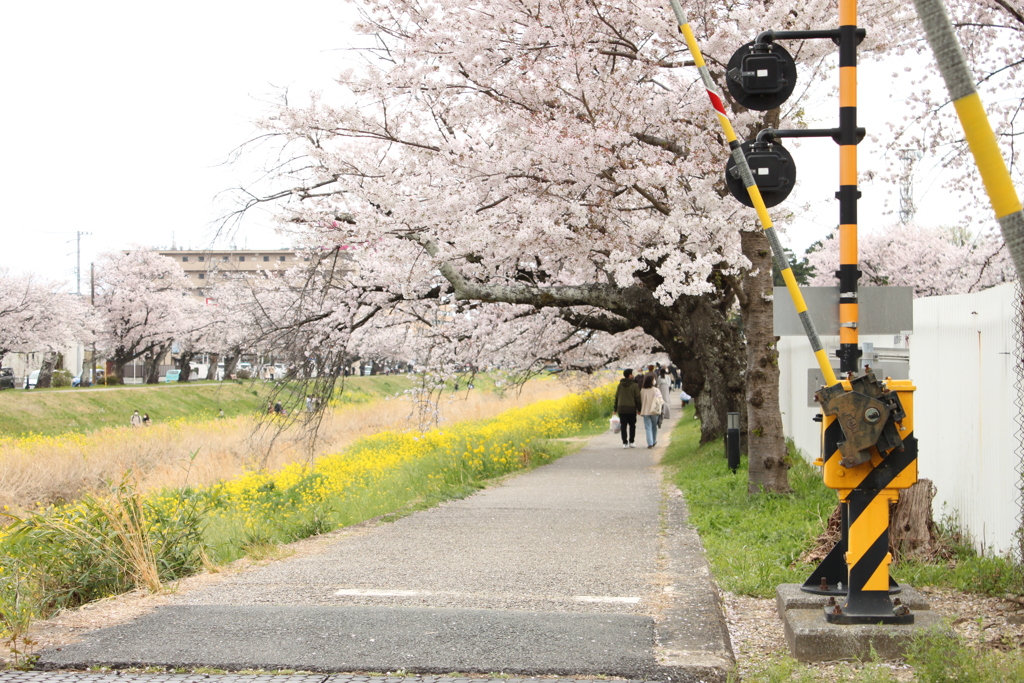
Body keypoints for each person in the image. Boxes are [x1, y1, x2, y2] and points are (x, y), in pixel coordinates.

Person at [613, 369, 642, 449]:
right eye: (632, 374)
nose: (633, 375)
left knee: (623, 426)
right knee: (632, 425)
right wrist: (639, 409)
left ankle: (624, 442)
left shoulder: (620, 385)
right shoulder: (634, 385)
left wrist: (615, 409)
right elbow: (637, 398)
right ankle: (632, 441)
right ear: (629, 375)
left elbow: (616, 397)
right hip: (631, 408)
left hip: (621, 408)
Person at [639, 374, 664, 448]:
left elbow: (641, 400)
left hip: (645, 411)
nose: (654, 381)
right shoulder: (656, 390)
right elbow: (660, 400)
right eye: (653, 380)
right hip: (654, 411)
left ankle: (650, 443)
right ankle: (654, 441)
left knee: (647, 427)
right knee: (654, 427)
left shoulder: (642, 390)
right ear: (652, 381)